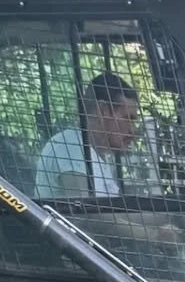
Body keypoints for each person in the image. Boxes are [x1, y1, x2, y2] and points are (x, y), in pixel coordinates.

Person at [34, 70, 140, 200]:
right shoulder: (70, 149)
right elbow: (85, 216)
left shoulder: (95, 156)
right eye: (127, 118)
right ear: (103, 110)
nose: (132, 131)